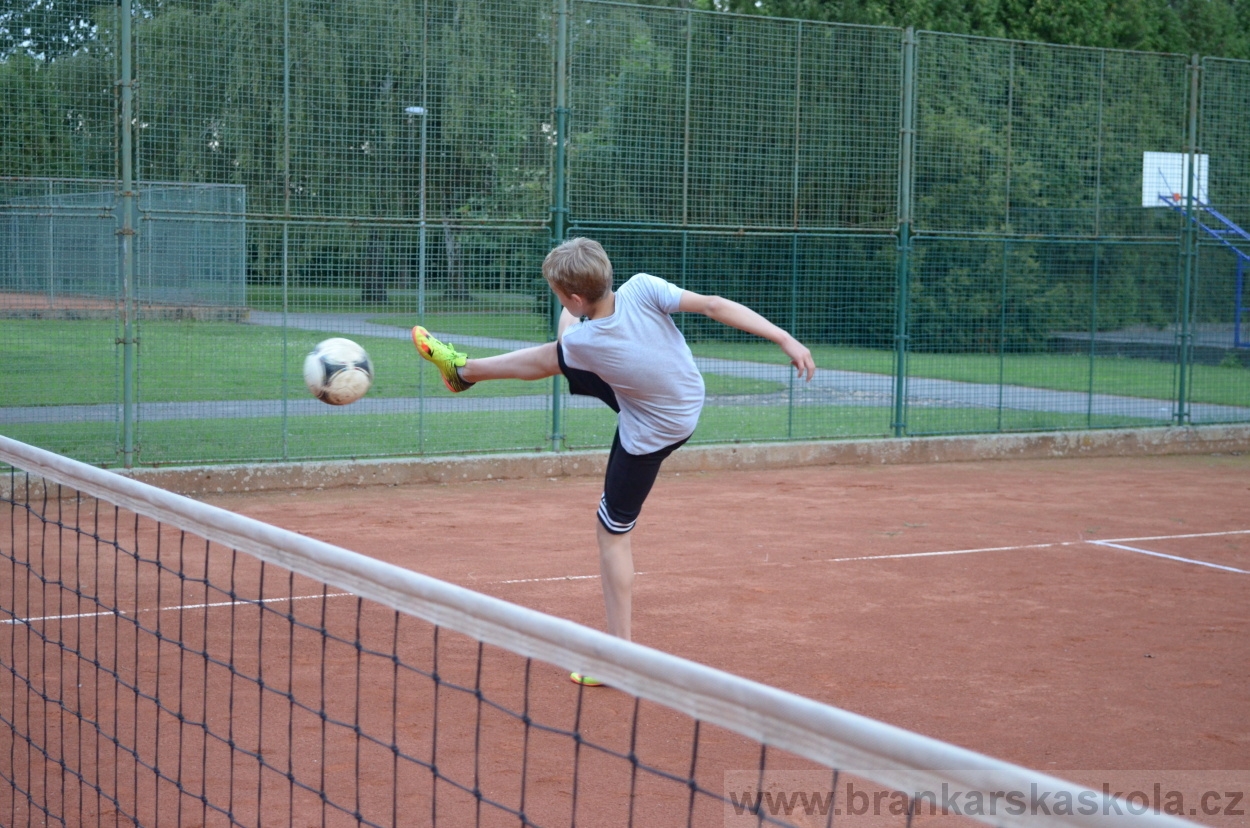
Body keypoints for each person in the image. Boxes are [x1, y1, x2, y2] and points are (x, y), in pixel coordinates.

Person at [412, 237, 816, 685]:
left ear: (574, 298)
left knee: (611, 533)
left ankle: (620, 658)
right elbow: (714, 305)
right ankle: (462, 371)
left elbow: (559, 346)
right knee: (565, 355)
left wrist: (571, 317)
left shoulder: (585, 341)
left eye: (560, 296)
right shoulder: (643, 286)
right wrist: (784, 338)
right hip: (683, 392)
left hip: (654, 430)